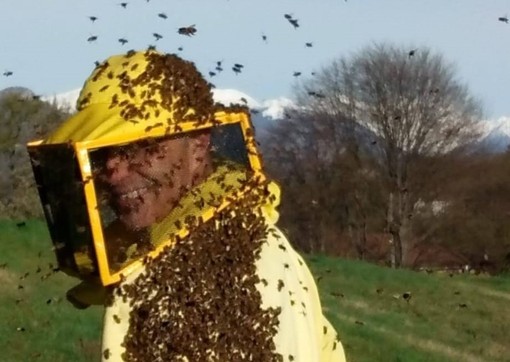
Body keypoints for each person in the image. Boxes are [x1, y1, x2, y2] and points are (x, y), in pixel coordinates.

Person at [38, 49, 346, 361]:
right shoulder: (173, 246)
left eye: (139, 146)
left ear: (197, 147)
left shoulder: (235, 264)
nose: (113, 168)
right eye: (102, 152)